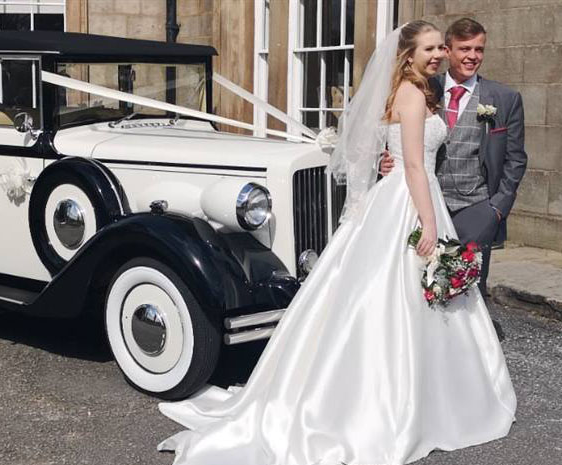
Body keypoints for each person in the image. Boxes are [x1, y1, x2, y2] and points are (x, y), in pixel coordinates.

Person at [156, 21, 516, 465]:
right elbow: (416, 167)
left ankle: (433, 393)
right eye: (430, 48)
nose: (439, 54)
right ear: (408, 54)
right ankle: (405, 401)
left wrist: (403, 171)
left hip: (411, 195)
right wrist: (427, 223)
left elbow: (411, 153)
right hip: (412, 201)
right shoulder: (410, 92)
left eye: (441, 46)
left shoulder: (421, 89)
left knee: (416, 296)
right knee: (400, 296)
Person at [380, 18, 528, 303]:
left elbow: (516, 159)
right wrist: (383, 161)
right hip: (422, 202)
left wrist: (497, 208)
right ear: (447, 51)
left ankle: (470, 345)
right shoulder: (423, 86)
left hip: (477, 205)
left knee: (468, 283)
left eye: (479, 49)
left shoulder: (505, 98)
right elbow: (393, 134)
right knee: (418, 281)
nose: (473, 56)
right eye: (464, 49)